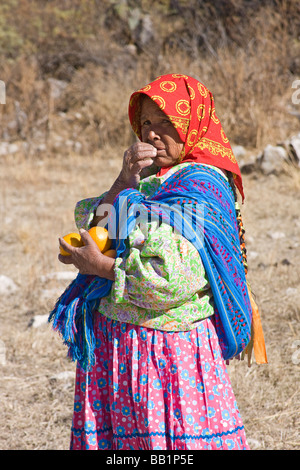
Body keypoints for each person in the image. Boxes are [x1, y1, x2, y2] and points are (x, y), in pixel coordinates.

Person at [50, 73, 267, 450]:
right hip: (126, 353)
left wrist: (99, 267)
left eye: (166, 122)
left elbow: (170, 279)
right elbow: (106, 225)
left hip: (166, 359)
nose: (152, 133)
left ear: (192, 124)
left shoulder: (200, 187)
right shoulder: (153, 182)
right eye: (146, 123)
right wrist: (124, 180)